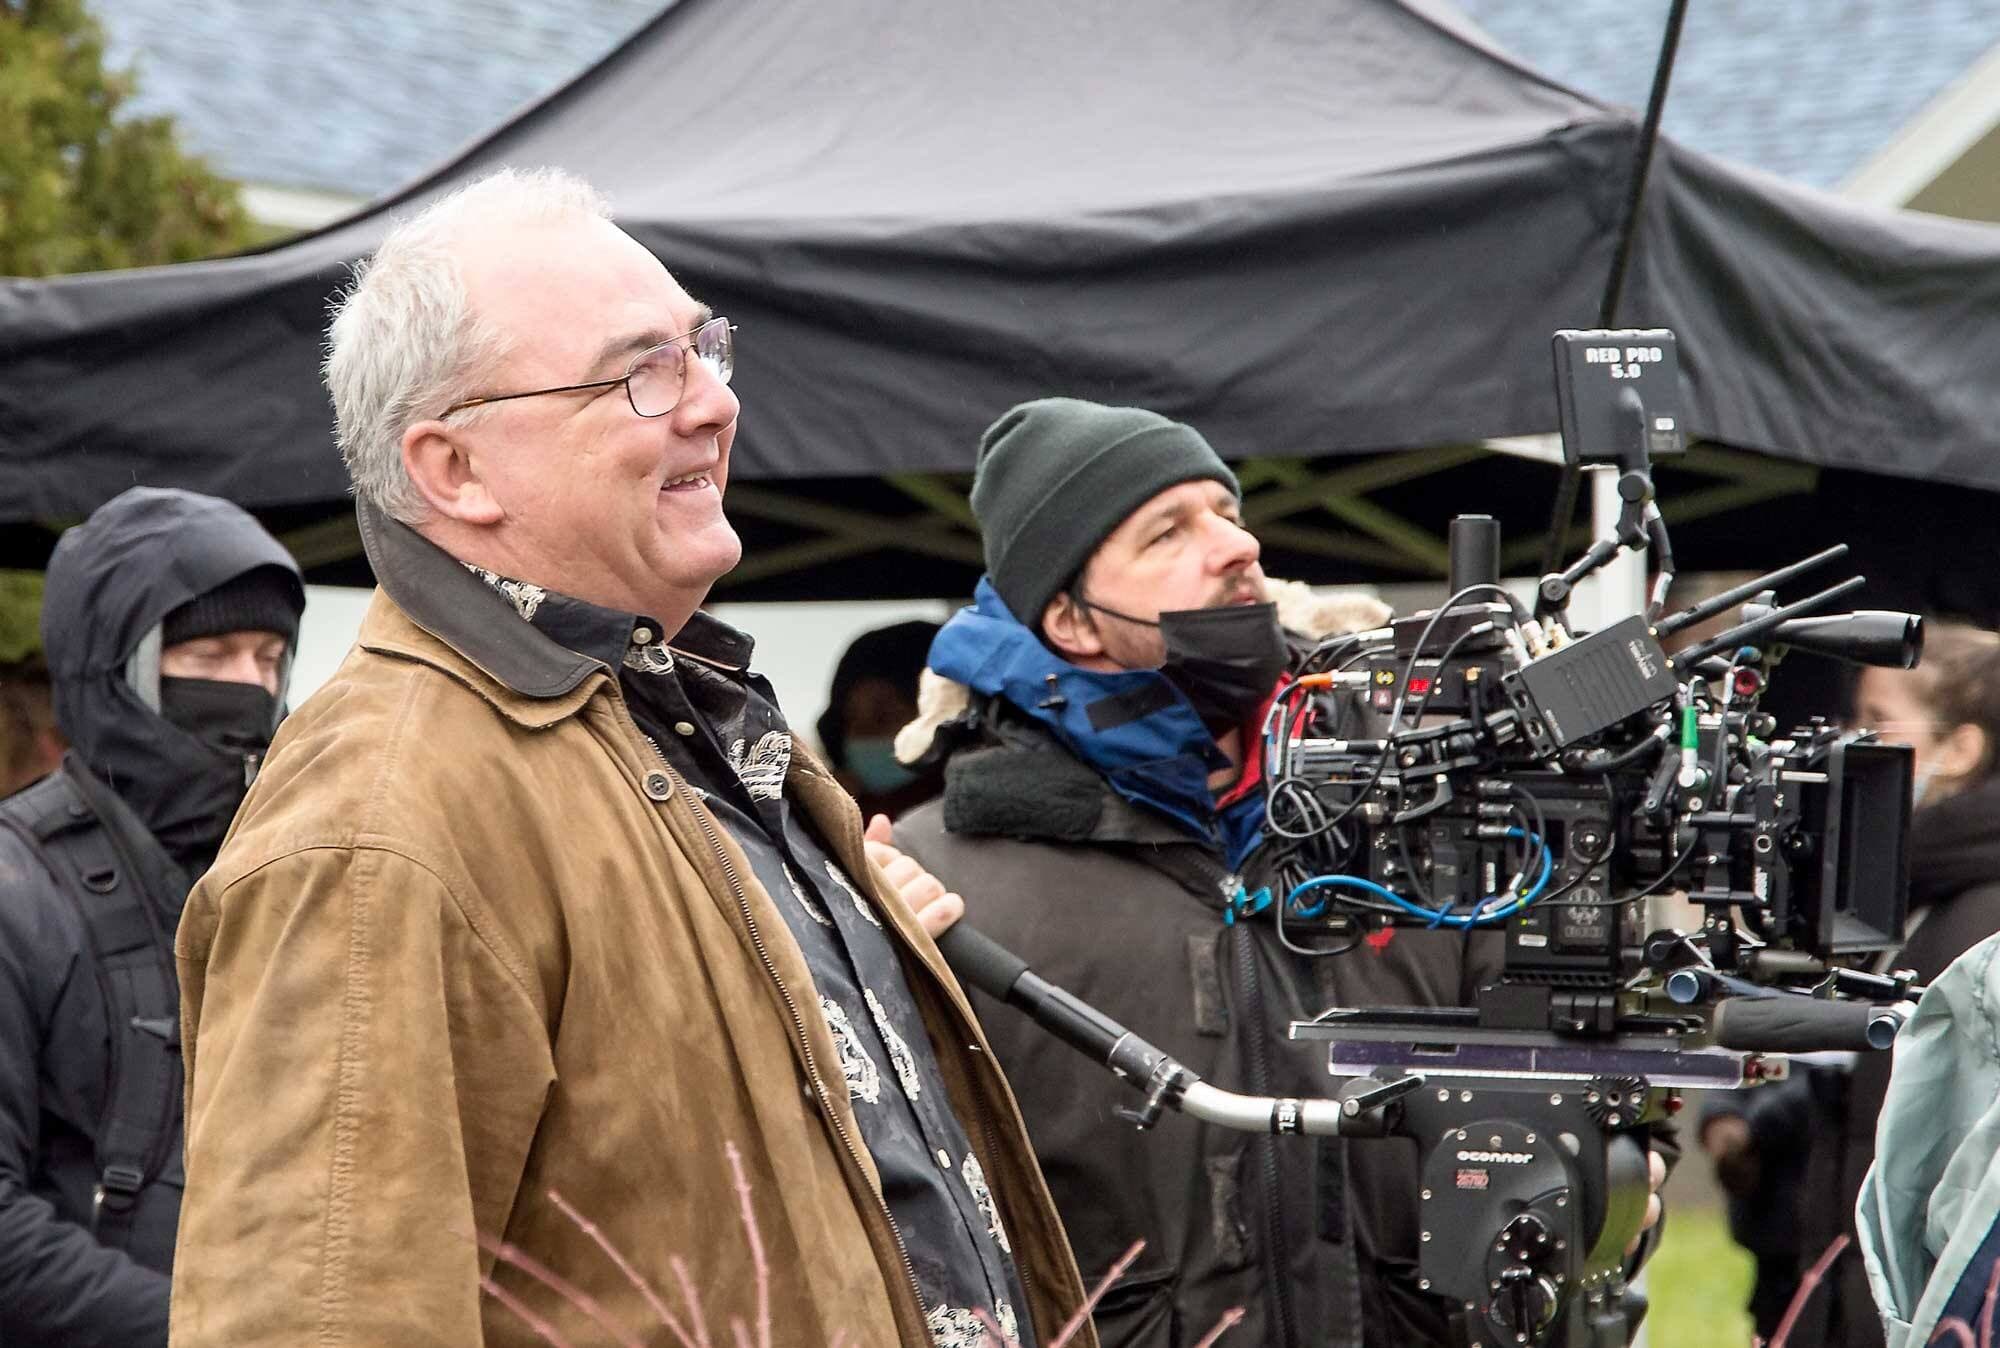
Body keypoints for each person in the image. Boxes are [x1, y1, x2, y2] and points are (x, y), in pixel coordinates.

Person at [169, 168, 1090, 1348]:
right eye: (642, 372)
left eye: (704, 348)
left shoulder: (678, 717)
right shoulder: (380, 816)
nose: (715, 402)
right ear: (455, 470)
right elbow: (314, 1320)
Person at [892, 398, 1598, 1347]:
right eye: (1168, 532)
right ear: (1071, 619)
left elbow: (1579, 1072)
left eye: (1226, 512)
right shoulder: (938, 884)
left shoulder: (1428, 806)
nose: (1238, 546)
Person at [0, 486, 303, 1347]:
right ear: (117, 672)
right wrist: (205, 1335)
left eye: (269, 658)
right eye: (209, 655)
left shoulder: (287, 879)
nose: (249, 687)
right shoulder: (18, 892)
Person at [1724, 620, 2000, 1346]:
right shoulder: (1914, 893)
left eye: (1878, 721)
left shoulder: (1977, 916)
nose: (1851, 742)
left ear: (1961, 751)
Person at [818, 620, 946, 820]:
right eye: (850, 720)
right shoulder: (831, 822)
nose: (864, 735)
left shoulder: (977, 823)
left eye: (883, 717)